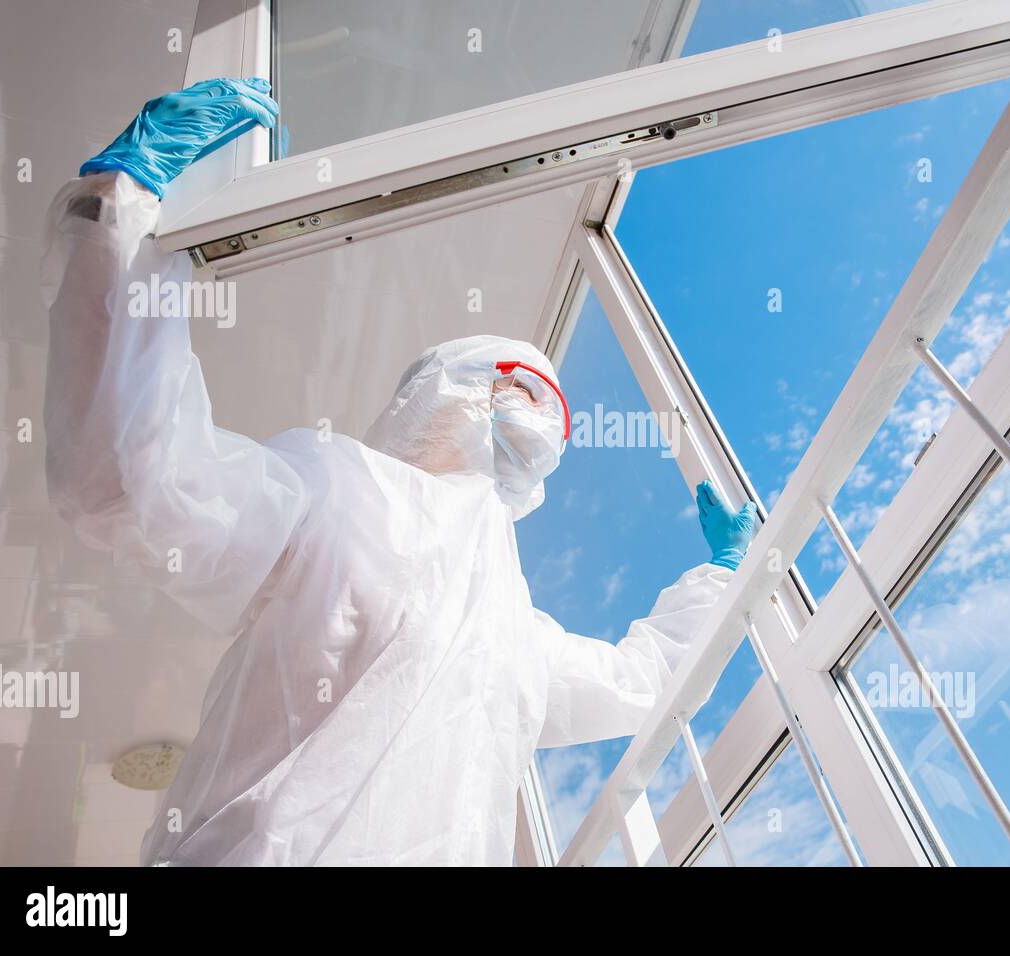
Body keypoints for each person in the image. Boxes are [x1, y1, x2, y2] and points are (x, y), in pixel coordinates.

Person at [42, 78, 758, 865]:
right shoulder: (337, 492)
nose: (540, 421)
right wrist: (123, 211)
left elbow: (639, 680)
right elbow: (127, 477)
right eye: (514, 388)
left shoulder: (514, 634)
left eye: (552, 414)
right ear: (436, 395)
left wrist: (725, 576)